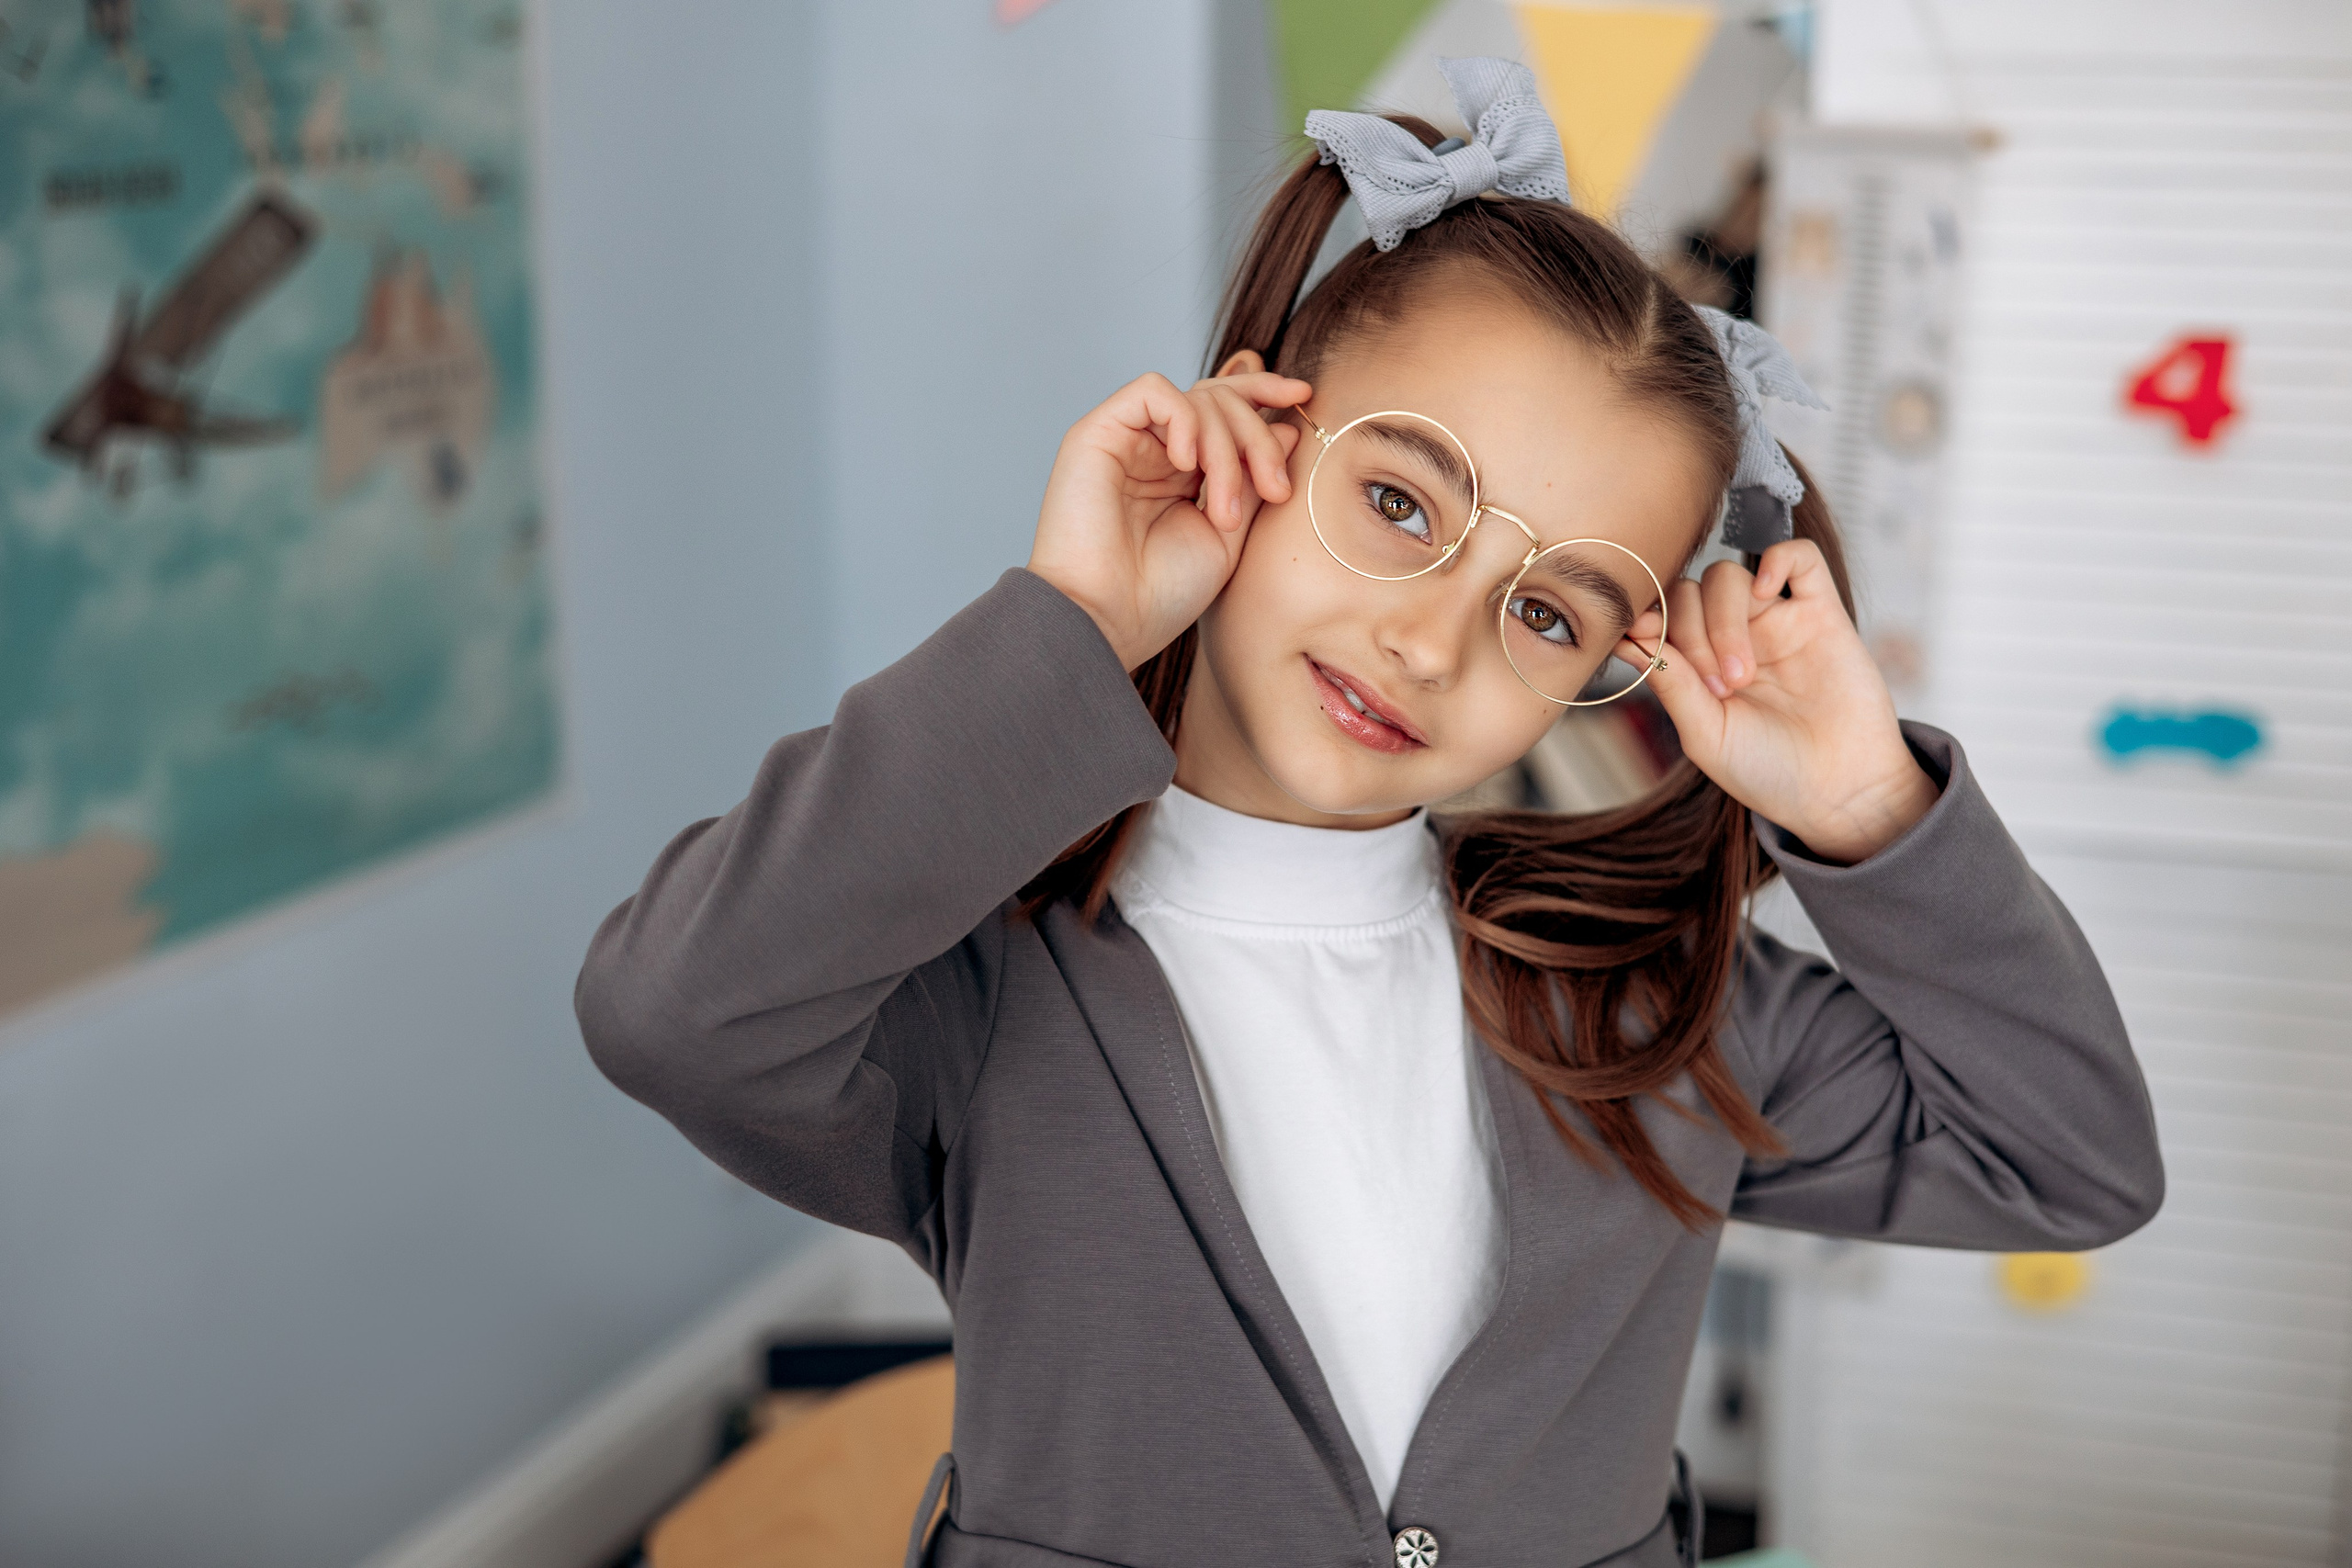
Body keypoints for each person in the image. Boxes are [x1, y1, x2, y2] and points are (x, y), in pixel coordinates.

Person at [577, 60, 2162, 1568]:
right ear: (1257, 432)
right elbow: (676, 1011)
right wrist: (1071, 619)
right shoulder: (983, 993)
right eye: (1398, 502)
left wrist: (1872, 808)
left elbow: (2070, 1161)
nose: (1433, 642)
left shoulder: (1654, 1007)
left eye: (1549, 615)